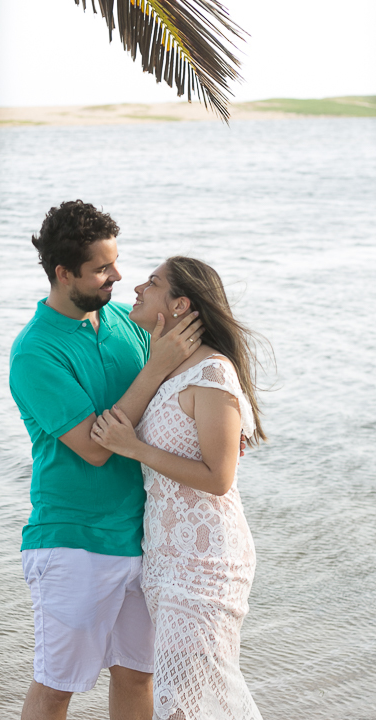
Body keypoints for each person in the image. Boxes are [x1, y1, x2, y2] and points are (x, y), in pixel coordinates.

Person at [9, 201, 204, 720]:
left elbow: (190, 370)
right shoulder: (34, 353)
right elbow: (96, 448)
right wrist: (156, 365)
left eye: (115, 263)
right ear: (63, 273)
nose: (118, 275)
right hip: (73, 541)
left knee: (138, 677)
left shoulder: (124, 320)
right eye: (101, 268)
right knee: (57, 687)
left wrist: (224, 428)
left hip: (144, 535)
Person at [91, 256, 267, 720]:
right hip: (167, 554)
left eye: (152, 283)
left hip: (206, 559)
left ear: (180, 303)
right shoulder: (168, 369)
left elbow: (219, 477)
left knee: (189, 702)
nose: (137, 289)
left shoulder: (212, 373)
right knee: (189, 698)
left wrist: (134, 448)